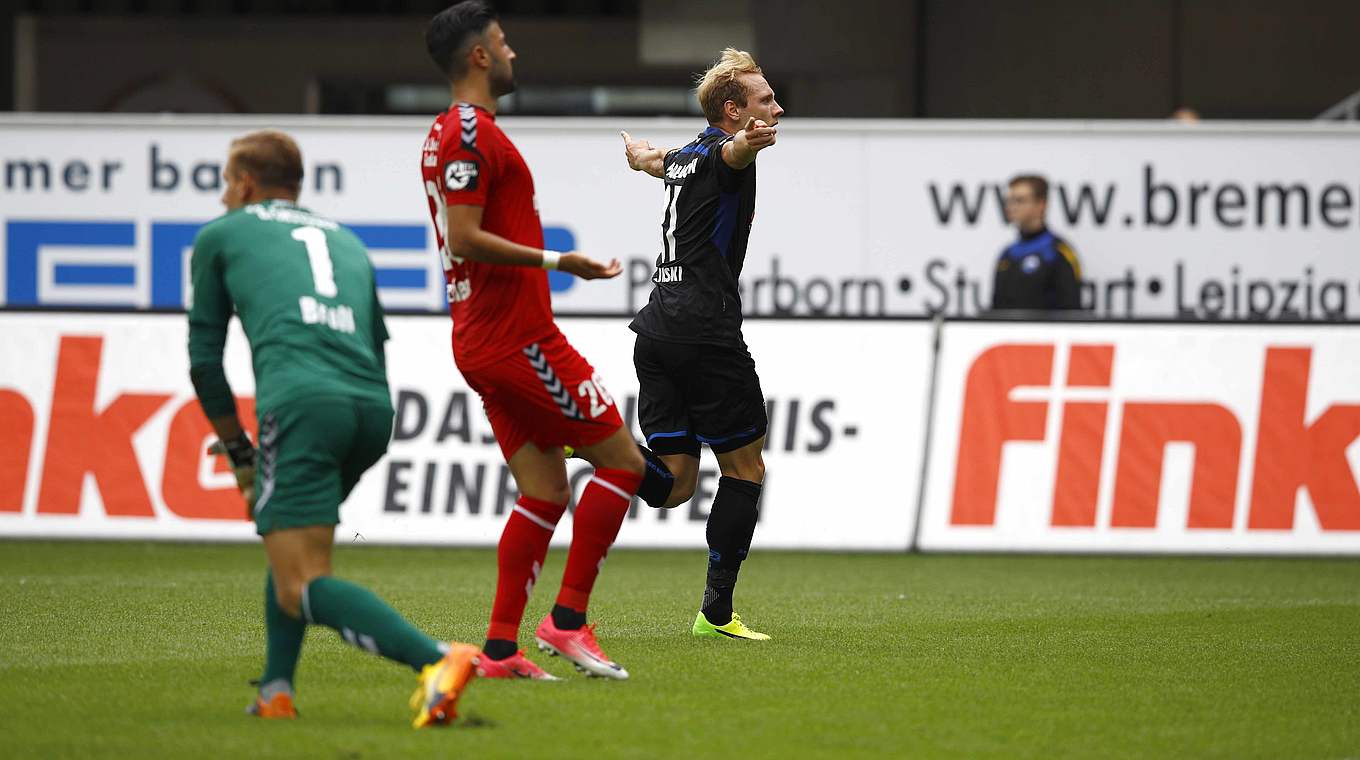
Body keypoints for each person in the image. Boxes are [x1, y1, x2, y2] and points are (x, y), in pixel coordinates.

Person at [187, 130, 478, 728]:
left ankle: (438, 659)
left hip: (301, 407)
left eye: (225, 182)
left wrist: (241, 451)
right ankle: (275, 690)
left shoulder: (221, 234)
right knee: (291, 547)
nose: (223, 195)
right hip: (371, 409)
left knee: (301, 581)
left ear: (244, 182)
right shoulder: (344, 239)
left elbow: (202, 360)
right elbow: (375, 341)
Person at [421, 1, 646, 681]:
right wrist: (560, 262)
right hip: (516, 338)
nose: (515, 52)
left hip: (488, 339)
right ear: (480, 57)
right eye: (504, 42)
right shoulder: (466, 133)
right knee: (623, 463)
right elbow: (463, 237)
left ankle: (497, 650)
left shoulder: (462, 131)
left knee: (545, 493)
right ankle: (568, 622)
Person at [618, 48, 783, 641]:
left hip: (656, 329)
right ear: (735, 111)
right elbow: (733, 153)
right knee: (745, 467)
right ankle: (715, 613)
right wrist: (751, 143)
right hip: (704, 334)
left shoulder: (689, 155)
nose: (778, 107)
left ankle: (589, 442)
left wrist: (641, 160)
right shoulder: (729, 151)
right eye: (766, 100)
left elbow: (668, 161)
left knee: (675, 483)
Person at [990, 174, 1084, 311]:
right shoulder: (1007, 254)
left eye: (1020, 200)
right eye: (1009, 201)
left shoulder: (1057, 253)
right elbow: (996, 309)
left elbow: (1071, 312)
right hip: (1009, 332)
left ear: (1041, 205)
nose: (1012, 207)